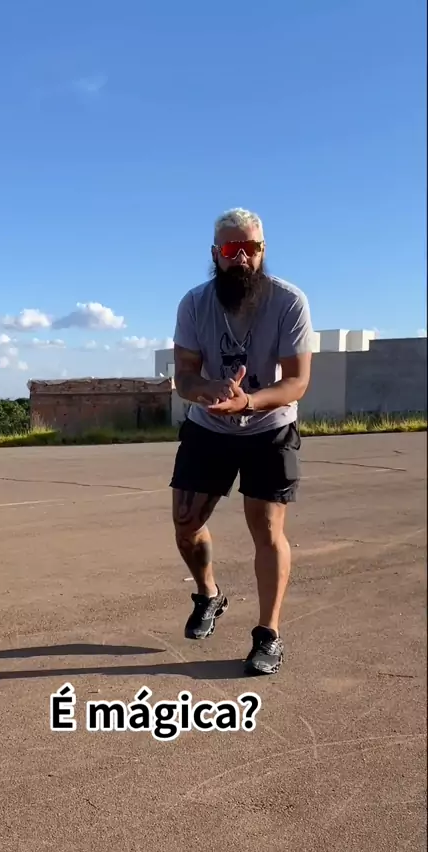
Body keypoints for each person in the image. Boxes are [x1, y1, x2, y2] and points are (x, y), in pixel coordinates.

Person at [169, 207, 314, 675]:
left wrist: (248, 402)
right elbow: (184, 376)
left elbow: (296, 381)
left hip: (269, 427)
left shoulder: (289, 301)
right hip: (210, 424)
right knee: (186, 523)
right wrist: (207, 390)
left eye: (251, 248)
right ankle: (209, 594)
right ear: (216, 254)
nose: (242, 258)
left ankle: (268, 635)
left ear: (262, 250)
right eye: (232, 249)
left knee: (267, 529)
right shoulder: (194, 304)